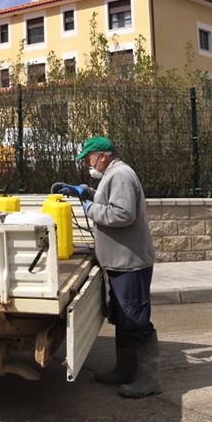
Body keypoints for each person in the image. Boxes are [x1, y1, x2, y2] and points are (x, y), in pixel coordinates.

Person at [65, 135, 162, 399]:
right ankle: (125, 370)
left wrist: (90, 209)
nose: (87, 163)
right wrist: (88, 193)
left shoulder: (121, 175)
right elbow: (111, 201)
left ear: (103, 155)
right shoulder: (114, 174)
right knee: (123, 318)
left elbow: (122, 213)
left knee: (136, 320)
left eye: (89, 158)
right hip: (120, 261)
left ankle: (149, 380)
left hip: (130, 263)